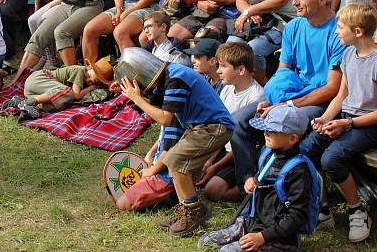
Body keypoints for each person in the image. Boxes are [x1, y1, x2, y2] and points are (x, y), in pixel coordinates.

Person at [230, 0, 345, 192]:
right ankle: (249, 180)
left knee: (281, 125)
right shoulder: (293, 27)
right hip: (289, 97)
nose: (295, 2)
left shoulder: (339, 32)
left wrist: (285, 105)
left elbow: (332, 88)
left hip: (319, 102)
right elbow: (283, 74)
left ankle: (277, 186)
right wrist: (269, 99)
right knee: (238, 122)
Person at [117, 47, 234, 237]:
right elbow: (159, 107)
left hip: (214, 126)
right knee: (176, 165)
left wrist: (137, 99)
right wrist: (137, 93)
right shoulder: (168, 77)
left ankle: (194, 212)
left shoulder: (176, 78)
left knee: (175, 162)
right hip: (199, 127)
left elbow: (165, 119)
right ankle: (186, 210)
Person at [300, 3, 377, 243]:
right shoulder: (347, 54)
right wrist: (325, 119)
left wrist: (349, 125)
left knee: (330, 158)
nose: (336, 31)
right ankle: (322, 207)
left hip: (368, 124)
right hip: (347, 119)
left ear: (358, 32)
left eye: (340, 27)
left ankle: (357, 210)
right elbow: (341, 96)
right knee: (306, 149)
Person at [199, 105, 316, 252]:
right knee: (216, 246)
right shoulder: (267, 152)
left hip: (280, 238)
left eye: (272, 131)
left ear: (292, 138)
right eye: (265, 128)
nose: (265, 133)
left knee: (227, 251)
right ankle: (245, 227)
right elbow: (255, 173)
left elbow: (297, 216)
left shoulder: (298, 171)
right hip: (257, 222)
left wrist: (262, 237)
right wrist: (249, 179)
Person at [201, 42, 265, 203]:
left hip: (240, 155)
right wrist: (209, 159)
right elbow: (221, 128)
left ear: (241, 69)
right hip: (224, 149)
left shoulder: (255, 98)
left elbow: (243, 144)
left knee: (213, 190)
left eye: (223, 66)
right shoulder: (227, 88)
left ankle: (258, 186)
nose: (218, 71)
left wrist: (214, 167)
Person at [2, 59, 111, 120]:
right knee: (69, 93)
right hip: (38, 79)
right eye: (92, 76)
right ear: (90, 68)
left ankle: (24, 105)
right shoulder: (80, 71)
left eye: (95, 82)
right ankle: (29, 102)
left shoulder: (84, 78)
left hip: (35, 92)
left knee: (57, 104)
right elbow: (76, 95)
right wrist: (91, 88)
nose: (91, 81)